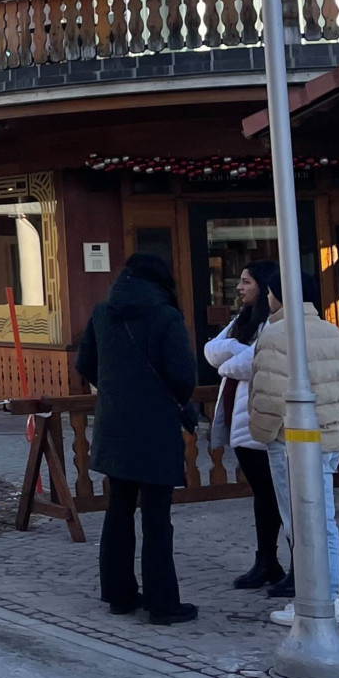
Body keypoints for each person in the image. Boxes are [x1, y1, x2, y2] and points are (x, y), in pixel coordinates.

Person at [76, 252, 201, 626]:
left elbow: (85, 364)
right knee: (157, 519)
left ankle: (118, 595)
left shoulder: (103, 312)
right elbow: (182, 375)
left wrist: (117, 387)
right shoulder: (165, 316)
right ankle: (163, 604)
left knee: (118, 511)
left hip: (114, 426)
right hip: (156, 430)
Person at [250, 271, 339, 624]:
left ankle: (318, 598)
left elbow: (266, 396)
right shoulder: (333, 331)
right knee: (325, 518)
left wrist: (263, 434)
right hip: (328, 437)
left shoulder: (276, 334)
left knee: (301, 521)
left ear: (279, 296)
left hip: (291, 441)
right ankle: (328, 595)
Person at [204, 260, 283, 591]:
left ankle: (284, 563)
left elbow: (256, 362)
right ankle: (266, 560)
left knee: (277, 495)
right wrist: (236, 349)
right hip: (239, 418)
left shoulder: (276, 324)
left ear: (264, 286)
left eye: (246, 281)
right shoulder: (242, 321)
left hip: (264, 416)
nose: (239, 287)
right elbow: (211, 351)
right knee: (263, 495)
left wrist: (231, 362)